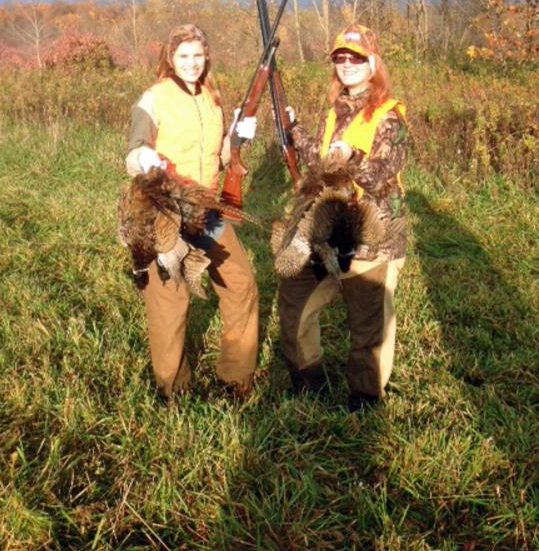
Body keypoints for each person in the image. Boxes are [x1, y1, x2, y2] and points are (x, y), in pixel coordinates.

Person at [278, 23, 409, 411]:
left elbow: (384, 179)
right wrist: (291, 126)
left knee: (368, 324)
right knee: (294, 302)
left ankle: (365, 401)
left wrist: (352, 158)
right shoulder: (335, 112)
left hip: (373, 233)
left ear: (373, 63)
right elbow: (320, 158)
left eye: (356, 58)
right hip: (326, 227)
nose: (347, 65)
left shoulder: (390, 117)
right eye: (340, 58)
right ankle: (309, 382)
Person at [126, 23, 259, 399]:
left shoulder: (211, 97)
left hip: (206, 209)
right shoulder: (153, 98)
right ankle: (173, 390)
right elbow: (133, 152)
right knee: (170, 301)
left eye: (198, 55)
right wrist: (145, 157)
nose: (192, 63)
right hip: (165, 211)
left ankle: (236, 377)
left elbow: (218, 156)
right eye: (183, 56)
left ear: (207, 57)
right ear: (170, 58)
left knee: (241, 283)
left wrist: (238, 139)